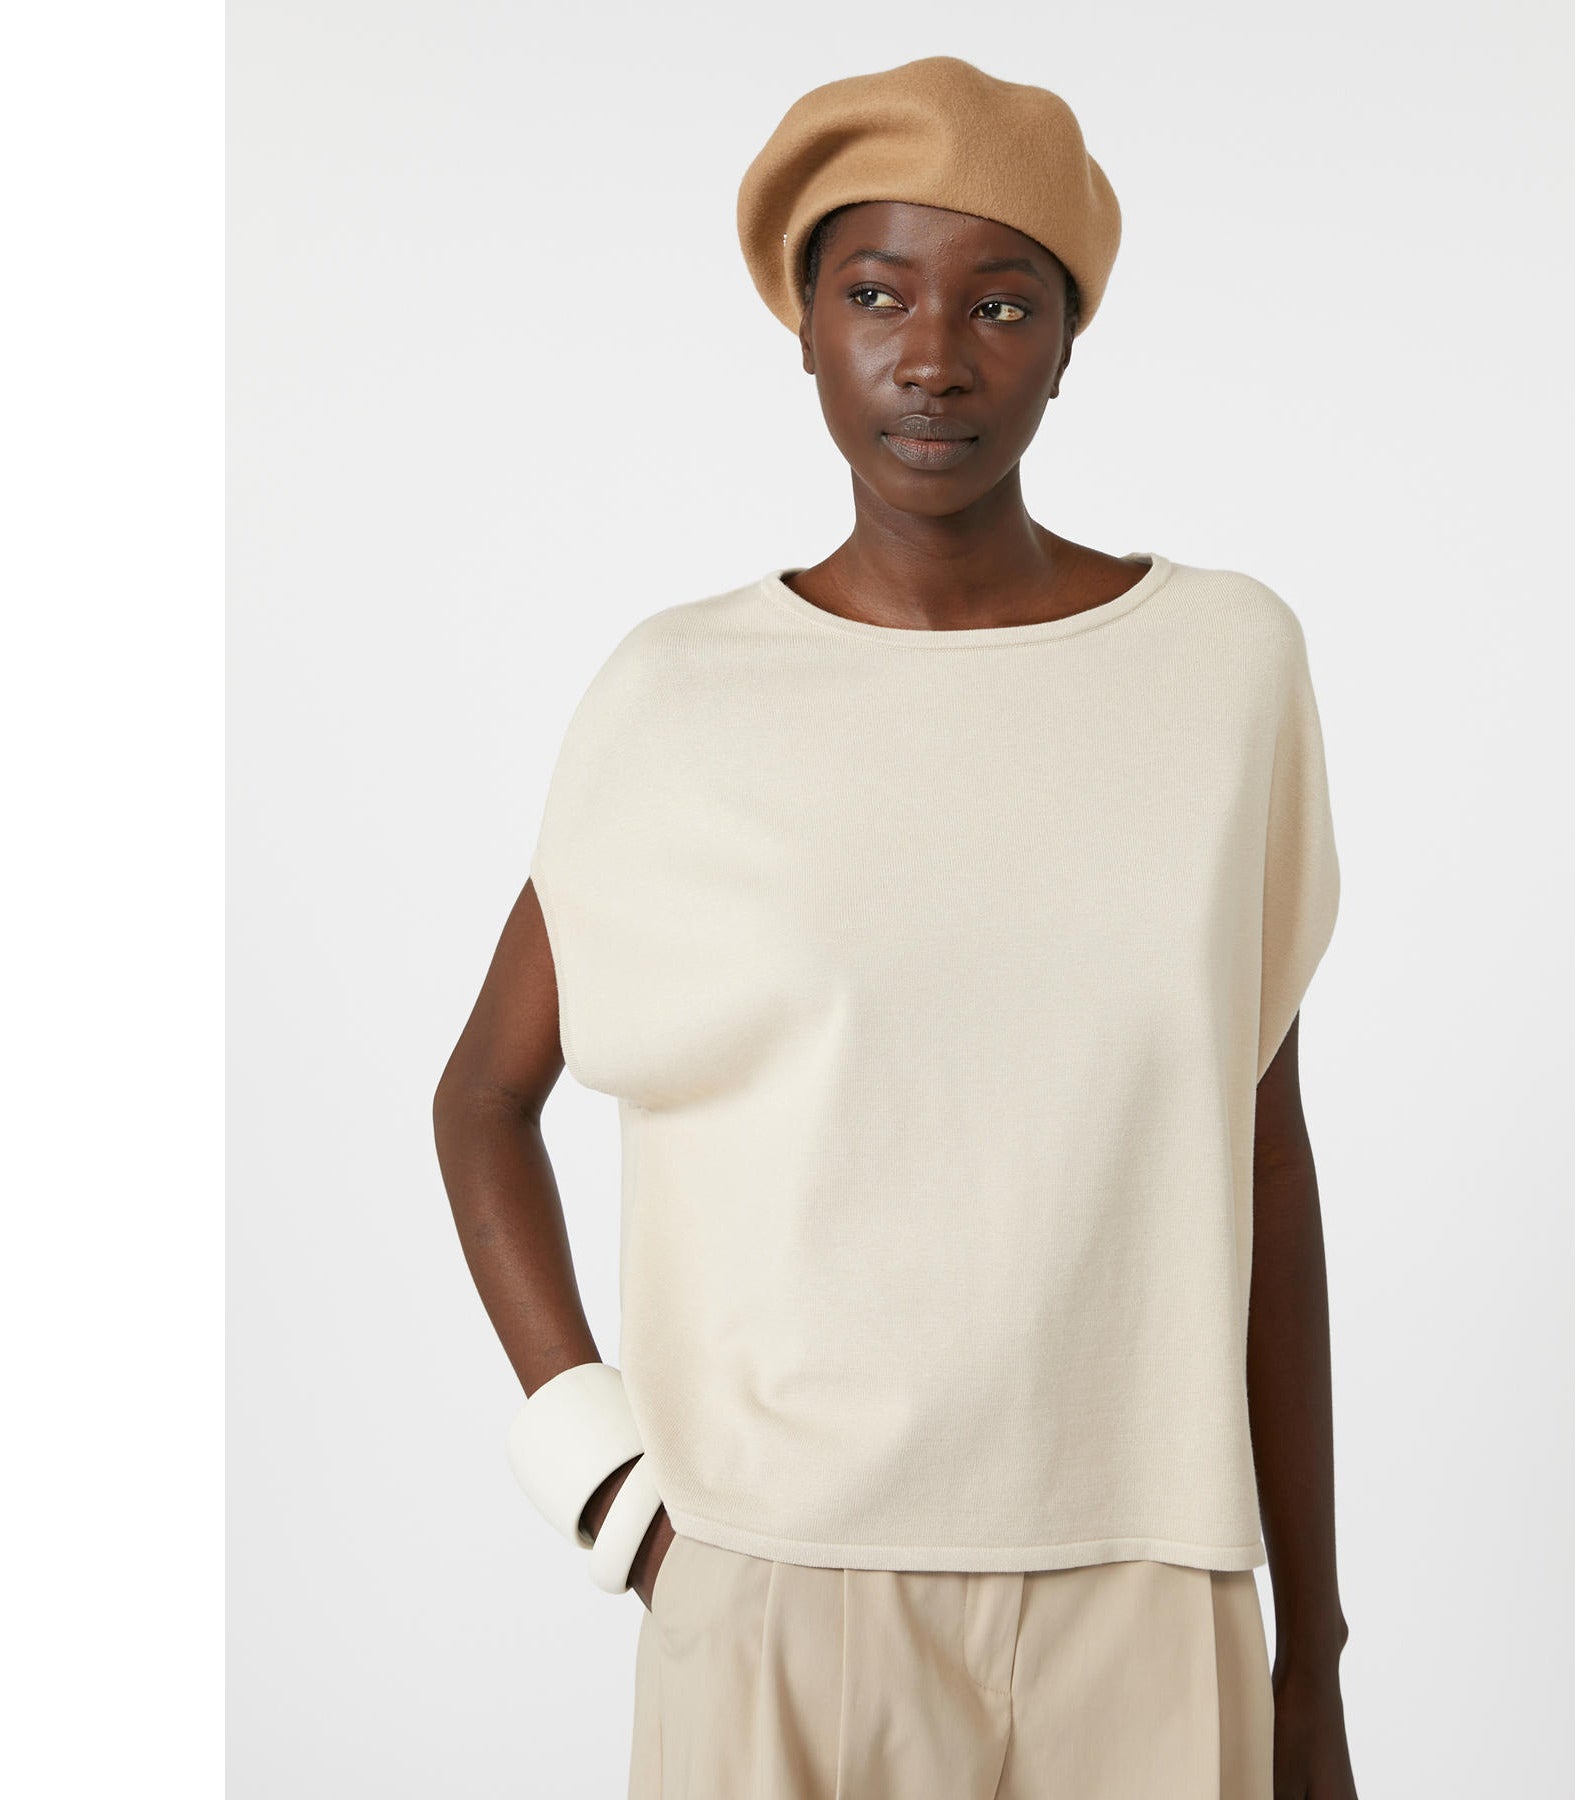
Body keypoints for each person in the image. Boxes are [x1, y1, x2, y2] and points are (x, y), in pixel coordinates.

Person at [433, 53, 1359, 1800]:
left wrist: (1312, 1656)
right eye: (876, 295)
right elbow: (483, 1096)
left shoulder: (1224, 669)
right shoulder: (679, 695)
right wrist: (609, 1485)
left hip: (1149, 1590)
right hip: (776, 1586)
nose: (934, 359)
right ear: (802, 326)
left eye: (1001, 304)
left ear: (1068, 342)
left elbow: (1267, 1158)